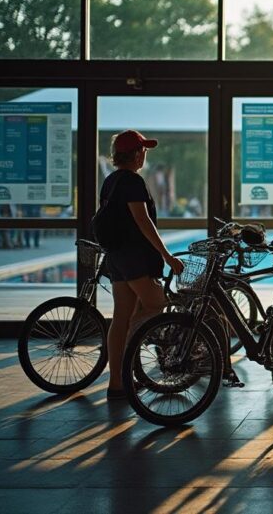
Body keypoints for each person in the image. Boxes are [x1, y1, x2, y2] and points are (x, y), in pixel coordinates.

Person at [100, 130, 185, 399]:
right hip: (134, 257)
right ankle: (130, 350)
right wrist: (167, 255)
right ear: (136, 154)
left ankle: (117, 384)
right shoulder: (133, 182)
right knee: (157, 304)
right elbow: (143, 221)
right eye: (143, 151)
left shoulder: (111, 181)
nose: (144, 155)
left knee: (121, 317)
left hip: (116, 257)